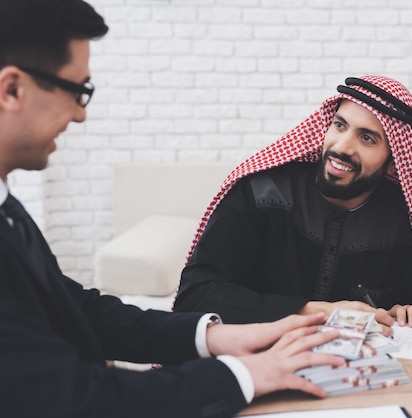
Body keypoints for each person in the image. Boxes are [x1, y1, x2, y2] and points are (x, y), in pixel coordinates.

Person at [0, 1, 347, 417]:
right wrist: (247, 373)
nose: (81, 114)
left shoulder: (9, 209)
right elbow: (75, 398)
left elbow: (78, 310)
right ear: (12, 90)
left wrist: (216, 337)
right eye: (78, 90)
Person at [173, 75, 412, 335]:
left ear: (395, 164)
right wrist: (318, 313)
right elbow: (196, 297)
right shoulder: (261, 192)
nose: (342, 146)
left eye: (367, 138)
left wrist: (407, 311)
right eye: (339, 125)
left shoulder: (401, 219)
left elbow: (408, 304)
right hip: (248, 364)